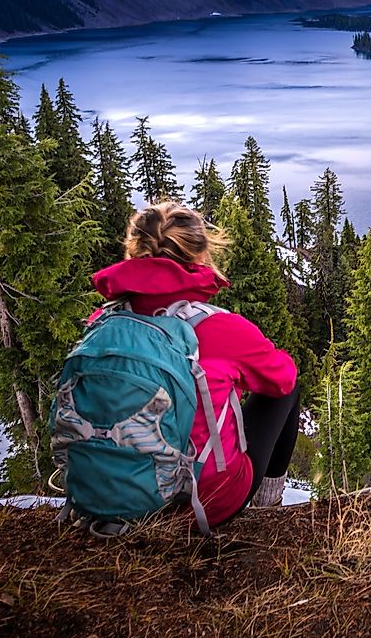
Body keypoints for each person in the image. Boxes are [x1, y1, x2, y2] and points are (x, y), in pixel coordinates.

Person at [91, 202, 299, 527]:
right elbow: (282, 378)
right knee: (288, 389)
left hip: (110, 493)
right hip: (203, 502)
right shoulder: (217, 328)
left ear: (133, 254)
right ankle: (269, 510)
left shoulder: (101, 323)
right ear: (200, 257)